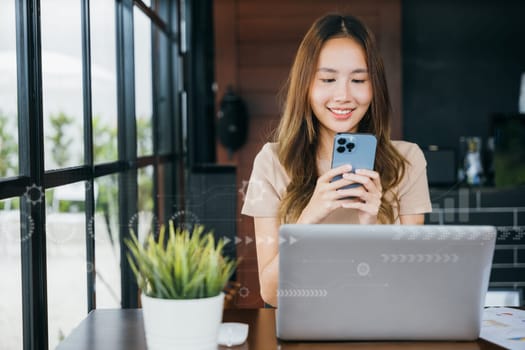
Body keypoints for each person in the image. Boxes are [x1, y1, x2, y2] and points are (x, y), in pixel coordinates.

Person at [241, 14, 432, 307]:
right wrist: (308, 219)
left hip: (381, 326)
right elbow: (271, 294)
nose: (343, 95)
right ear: (305, 85)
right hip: (302, 328)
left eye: (358, 80)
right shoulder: (271, 162)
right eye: (328, 79)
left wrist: (371, 225)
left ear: (375, 87)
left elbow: (408, 287)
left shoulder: (408, 161)